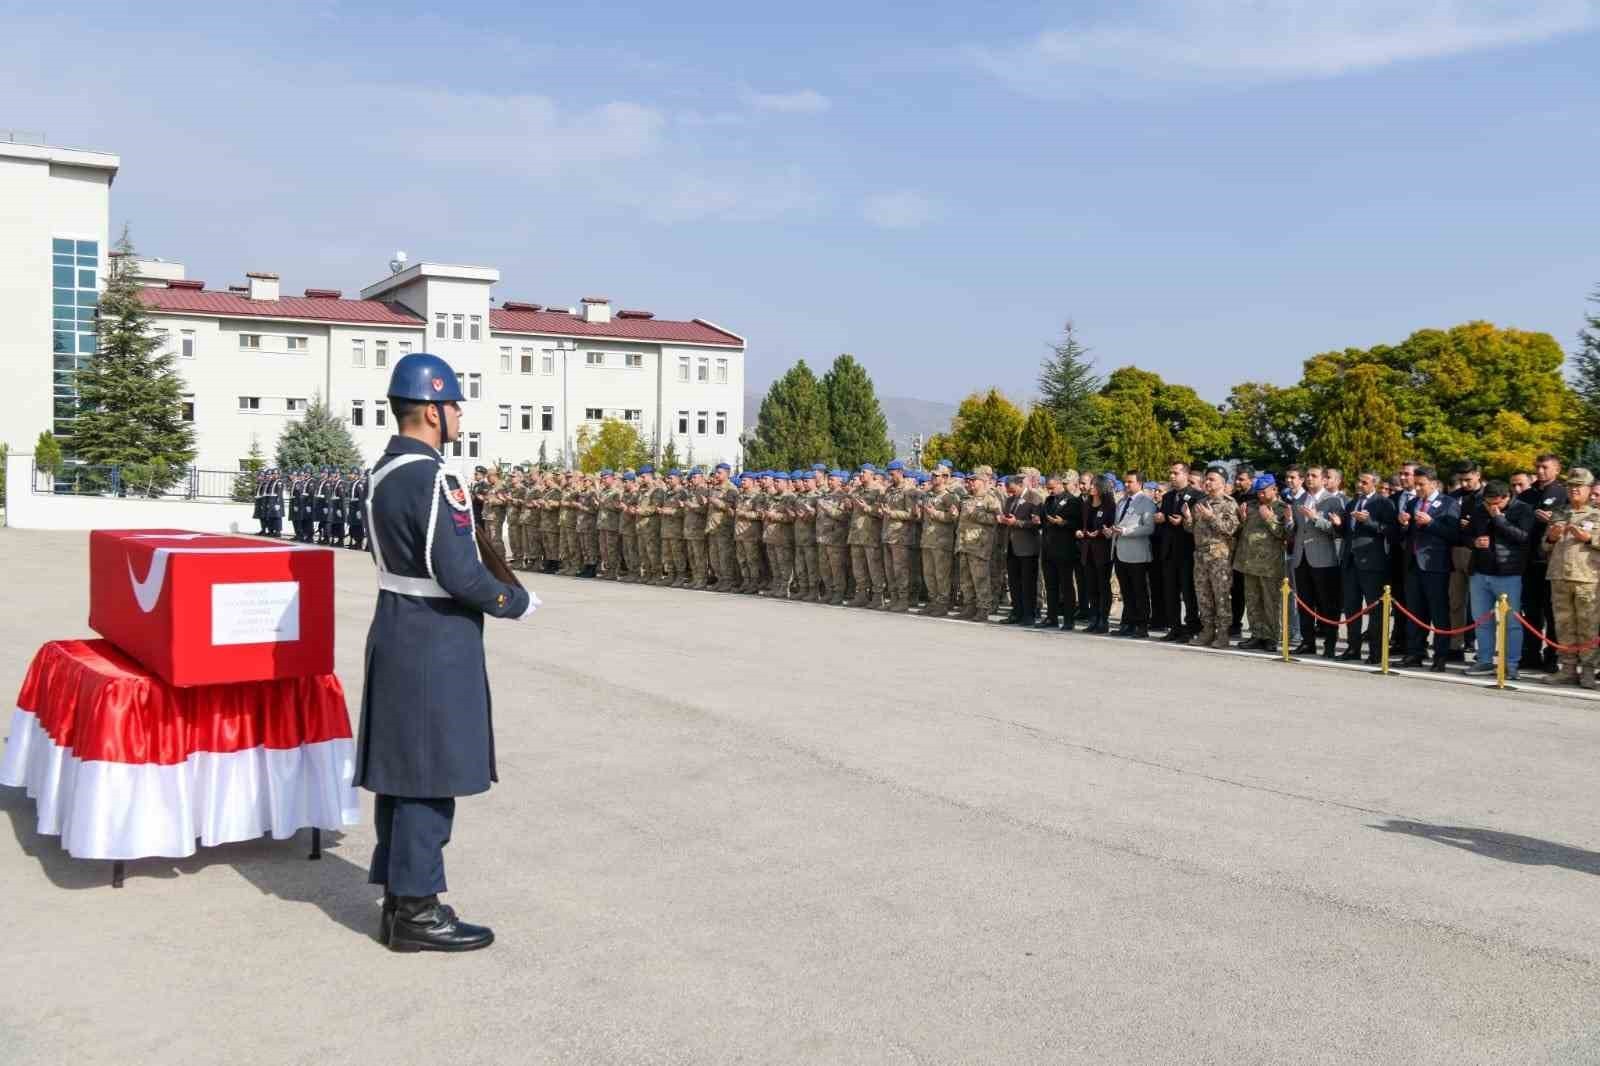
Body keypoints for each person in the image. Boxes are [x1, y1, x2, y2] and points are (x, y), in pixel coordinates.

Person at [355, 351, 536, 954]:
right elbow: (459, 572)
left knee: (405, 772)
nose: (458, 414)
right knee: (429, 774)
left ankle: (402, 898)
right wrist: (513, 601)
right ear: (432, 410)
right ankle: (417, 912)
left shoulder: (380, 471)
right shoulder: (433, 477)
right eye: (454, 403)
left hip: (397, 627)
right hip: (435, 637)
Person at [1464, 480, 1533, 679]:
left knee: (1512, 622)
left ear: (1506, 497)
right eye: (1488, 502)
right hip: (1480, 572)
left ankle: (1511, 664)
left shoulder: (1523, 509)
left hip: (1509, 573)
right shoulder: (1479, 509)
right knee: (1482, 621)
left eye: (1496, 503)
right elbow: (1465, 535)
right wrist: (1474, 542)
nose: (1491, 506)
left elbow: (1523, 537)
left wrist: (1499, 519)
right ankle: (1484, 660)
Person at [1539, 468, 1600, 687]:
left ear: (1589, 489)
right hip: (1559, 576)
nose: (1574, 490)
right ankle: (1567, 669)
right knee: (1563, 625)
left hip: (1587, 578)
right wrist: (1552, 538)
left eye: (1579, 486)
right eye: (1570, 486)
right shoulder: (1559, 512)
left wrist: (1588, 539)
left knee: (1588, 626)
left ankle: (1588, 671)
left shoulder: (1597, 514)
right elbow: (1543, 547)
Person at [1398, 465, 1461, 672]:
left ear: (1433, 484)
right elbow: (1404, 534)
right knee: (1415, 611)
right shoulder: (1413, 502)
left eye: (1421, 485)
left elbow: (1454, 535)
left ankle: (1440, 656)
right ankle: (1414, 653)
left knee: (1438, 612)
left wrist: (1431, 523)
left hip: (1436, 565)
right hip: (1413, 564)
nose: (1417, 489)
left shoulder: (1448, 503)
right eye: (1415, 485)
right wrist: (1405, 524)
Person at [1339, 471, 1395, 662]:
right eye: (1359, 481)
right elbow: (1346, 530)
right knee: (1351, 608)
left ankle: (1376, 652)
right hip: (1350, 562)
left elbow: (1390, 530)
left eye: (1364, 482)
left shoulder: (1384, 503)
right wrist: (1338, 524)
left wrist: (1368, 522)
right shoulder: (1352, 503)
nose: (1359, 485)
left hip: (1372, 563)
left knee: (1375, 610)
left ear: (1375, 484)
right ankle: (1352, 648)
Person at [1290, 467, 1343, 658]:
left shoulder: (1333, 500)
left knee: (1327, 604)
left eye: (1314, 476)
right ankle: (1308, 642)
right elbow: (1295, 530)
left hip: (1323, 559)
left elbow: (1336, 531)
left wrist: (1315, 519)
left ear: (1323, 479)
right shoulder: (1299, 500)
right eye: (1308, 476)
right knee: (1304, 603)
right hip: (1301, 558)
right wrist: (1288, 521)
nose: (1310, 479)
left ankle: (1330, 644)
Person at [1518, 453, 1564, 674]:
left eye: (1545, 467)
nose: (1540, 471)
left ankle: (1552, 656)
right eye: (1537, 467)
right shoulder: (1527, 494)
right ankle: (1530, 654)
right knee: (1531, 611)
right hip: (1527, 561)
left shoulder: (1562, 493)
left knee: (1552, 611)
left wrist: (1552, 521)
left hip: (1550, 561)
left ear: (1557, 469)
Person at [1234, 474, 1290, 651]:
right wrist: (1241, 519)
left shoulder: (1282, 508)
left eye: (1264, 492)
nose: (1260, 496)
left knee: (1271, 603)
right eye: (1258, 492)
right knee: (1252, 602)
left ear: (1274, 489)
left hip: (1270, 565)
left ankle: (1272, 637)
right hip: (1248, 562)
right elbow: (1239, 531)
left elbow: (1284, 534)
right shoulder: (1250, 507)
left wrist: (1269, 519)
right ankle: (1257, 634)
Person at [1190, 467, 1241, 649]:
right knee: (1203, 596)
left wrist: (1211, 517)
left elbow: (1230, 529)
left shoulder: (1229, 503)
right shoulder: (1201, 502)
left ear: (1223, 483)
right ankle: (1207, 631)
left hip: (1219, 555)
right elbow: (1193, 529)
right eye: (1206, 479)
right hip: (1200, 554)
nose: (1207, 482)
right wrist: (1189, 519)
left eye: (1212, 479)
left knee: (1221, 596)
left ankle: (1223, 634)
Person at [1156, 463, 1202, 643]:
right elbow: (1163, 517)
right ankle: (1174, 627)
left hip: (1187, 551)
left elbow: (1198, 523)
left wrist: (1184, 520)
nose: (1172, 476)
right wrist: (1160, 518)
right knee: (1170, 592)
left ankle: (1191, 628)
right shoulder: (1168, 497)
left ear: (1186, 474)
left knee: (1189, 593)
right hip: (1169, 551)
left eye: (1176, 473)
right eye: (1171, 473)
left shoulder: (1197, 496)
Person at [1109, 468, 1156, 637]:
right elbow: (1118, 523)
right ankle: (1127, 623)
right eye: (1125, 482)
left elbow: (1149, 527)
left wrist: (1125, 531)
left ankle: (1141, 625)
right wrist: (1112, 532)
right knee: (1126, 591)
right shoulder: (1122, 502)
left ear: (1140, 483)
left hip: (1137, 553)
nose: (1127, 485)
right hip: (1120, 551)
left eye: (1130, 482)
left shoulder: (1147, 502)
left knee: (1139, 591)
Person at [954, 467, 1002, 621]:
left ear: (983, 482)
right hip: (963, 543)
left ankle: (983, 608)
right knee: (966, 579)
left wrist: (976, 513)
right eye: (970, 480)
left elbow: (996, 519)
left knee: (980, 578)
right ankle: (969, 606)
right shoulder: (967, 498)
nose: (971, 483)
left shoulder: (990, 498)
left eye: (974, 480)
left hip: (979, 546)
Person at [1040, 472, 1081, 630]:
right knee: (1051, 585)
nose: (1049, 491)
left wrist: (1063, 522)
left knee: (1066, 585)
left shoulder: (1072, 501)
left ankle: (1069, 620)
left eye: (1052, 488)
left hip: (1064, 548)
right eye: (1047, 488)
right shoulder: (1049, 500)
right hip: (1049, 548)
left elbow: (1077, 523)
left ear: (1059, 484)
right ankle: (1051, 617)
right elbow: (1044, 521)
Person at [999, 475, 1041, 625]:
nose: (1010, 493)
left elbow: (1036, 523)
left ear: (1020, 484)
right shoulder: (1010, 500)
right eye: (1008, 490)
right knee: (1014, 582)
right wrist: (1003, 520)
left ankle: (1029, 615)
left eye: (1012, 490)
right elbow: (1008, 517)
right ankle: (1016, 612)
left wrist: (1017, 522)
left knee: (1028, 583)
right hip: (1011, 546)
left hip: (1028, 547)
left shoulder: (1033, 497)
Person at [1077, 475, 1117, 633]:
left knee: (1103, 586)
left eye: (1094, 485)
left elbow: (1111, 527)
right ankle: (1093, 619)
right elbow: (1082, 524)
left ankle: (1103, 620)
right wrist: (1081, 531)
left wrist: (1099, 533)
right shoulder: (1086, 505)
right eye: (1091, 485)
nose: (1091, 487)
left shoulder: (1110, 506)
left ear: (1102, 487)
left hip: (1103, 551)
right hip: (1088, 550)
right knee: (1091, 587)